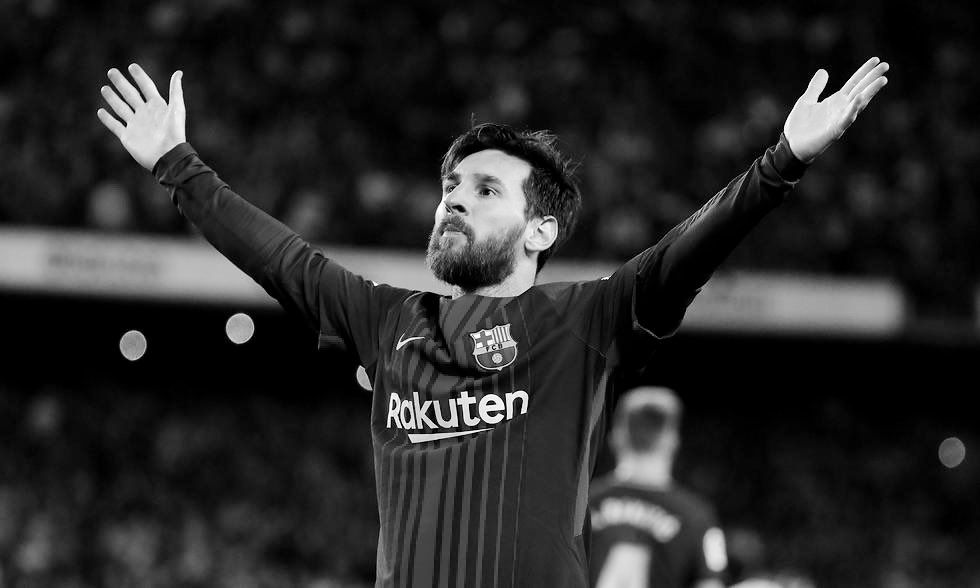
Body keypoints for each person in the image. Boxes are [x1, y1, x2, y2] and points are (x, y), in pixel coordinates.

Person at [96, 57, 888, 587]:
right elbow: (283, 260)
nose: (452, 201)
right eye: (450, 187)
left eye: (483, 190)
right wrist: (176, 164)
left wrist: (781, 161)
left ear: (540, 231)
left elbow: (685, 253)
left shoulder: (583, 320)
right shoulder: (388, 320)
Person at [589, 386, 726, 588]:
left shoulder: (582, 505)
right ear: (672, 441)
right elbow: (711, 584)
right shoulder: (698, 516)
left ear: (616, 437)